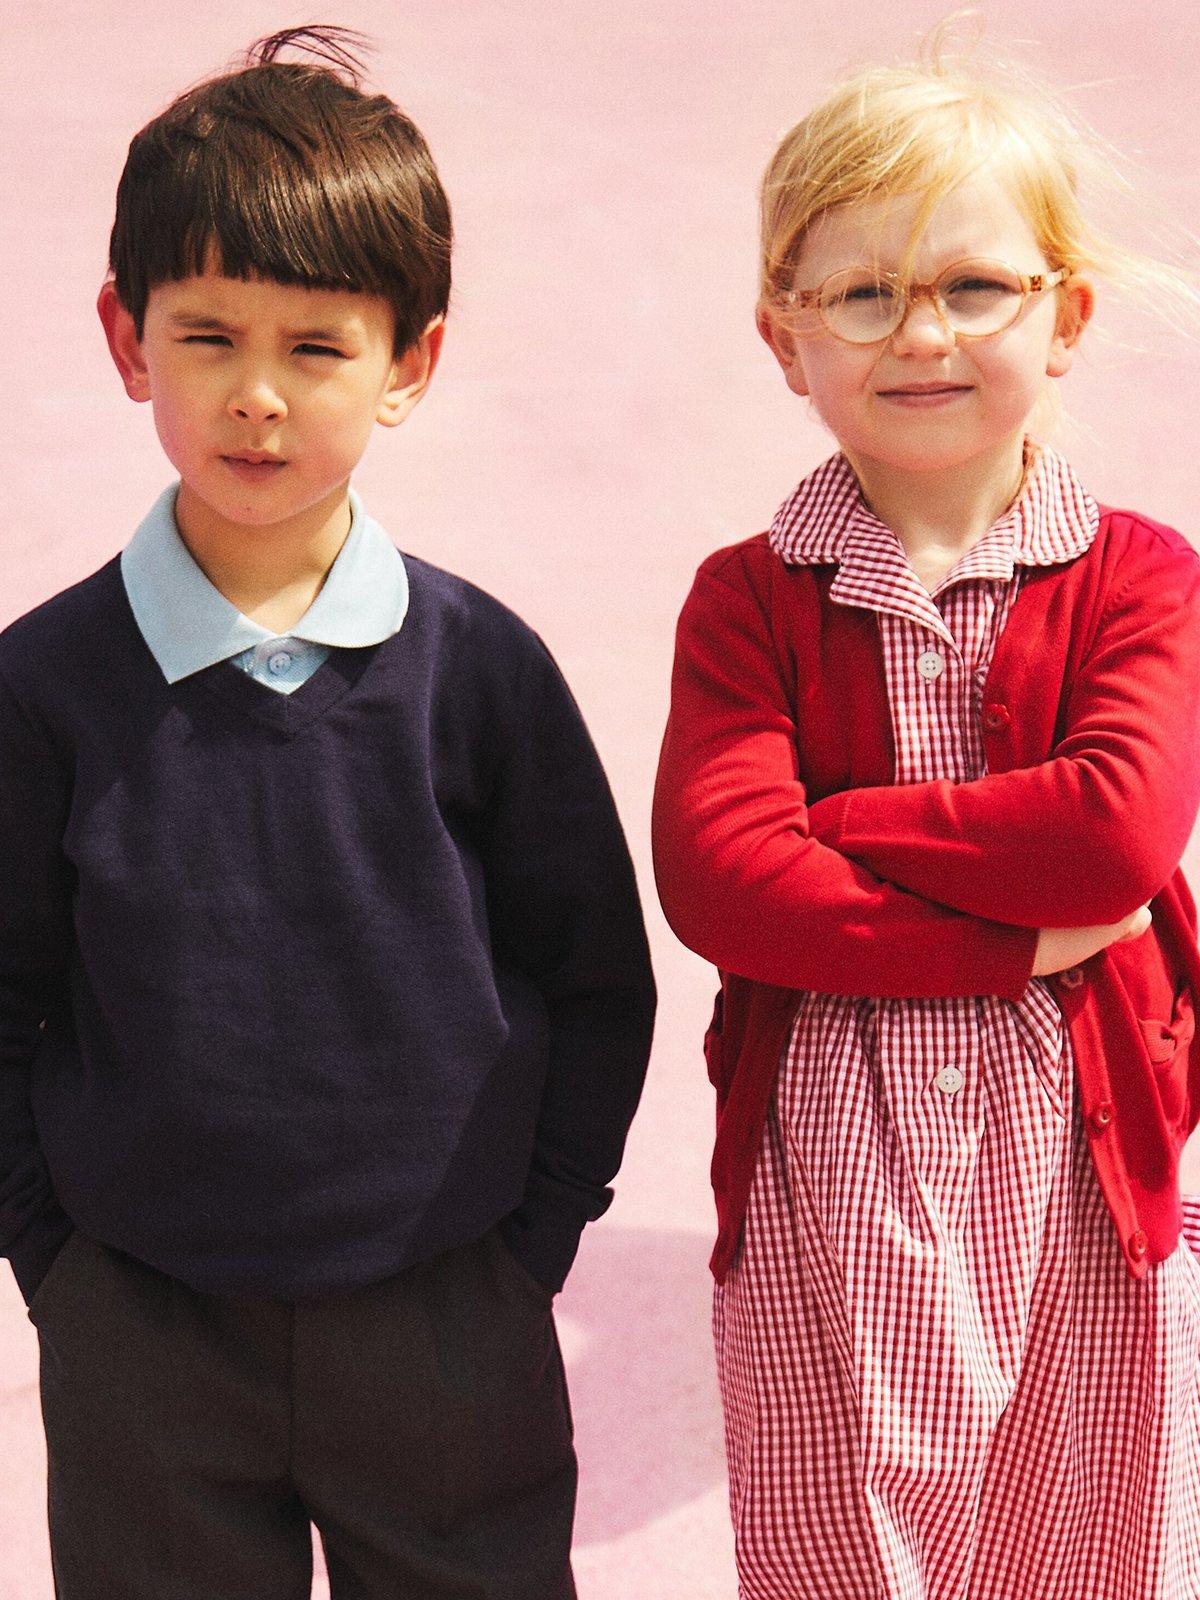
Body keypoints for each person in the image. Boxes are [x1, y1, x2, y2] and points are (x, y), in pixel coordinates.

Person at [0, 24, 655, 1599]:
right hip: (142, 1334)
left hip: (447, 1324)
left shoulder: (480, 670)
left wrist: (525, 1253)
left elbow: (592, 977)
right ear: (126, 336)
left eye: (319, 347)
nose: (260, 398)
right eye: (210, 335)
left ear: (411, 359)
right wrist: (61, 1264)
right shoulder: (42, 687)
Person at [652, 22, 1200, 1600]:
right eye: (863, 292)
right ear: (785, 332)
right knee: (843, 1560)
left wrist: (841, 821)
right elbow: (722, 883)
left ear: (1066, 311)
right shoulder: (747, 602)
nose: (923, 335)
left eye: (974, 286)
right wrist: (1018, 941)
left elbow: (1114, 835)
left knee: (1088, 1548)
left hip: (1087, 1173)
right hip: (827, 1170)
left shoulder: (1141, 578)